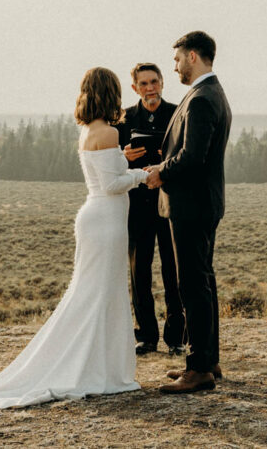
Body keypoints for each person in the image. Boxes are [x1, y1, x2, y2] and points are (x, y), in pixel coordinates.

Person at [0, 67, 149, 409]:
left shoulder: (88, 131)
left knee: (91, 293)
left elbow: (105, 175)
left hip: (94, 217)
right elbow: (113, 185)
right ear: (110, 94)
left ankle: (91, 363)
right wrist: (145, 175)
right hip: (107, 221)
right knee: (103, 292)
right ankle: (100, 369)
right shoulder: (111, 133)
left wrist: (124, 164)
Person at [144, 31, 231, 394]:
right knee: (203, 281)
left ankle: (198, 369)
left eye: (177, 59)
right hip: (203, 202)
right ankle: (207, 358)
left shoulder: (200, 99)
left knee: (192, 284)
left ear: (193, 56)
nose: (175, 65)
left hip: (192, 204)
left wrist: (159, 172)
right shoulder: (212, 93)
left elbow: (192, 157)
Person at [116, 62, 185, 356]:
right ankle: (145, 336)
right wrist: (124, 155)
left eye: (154, 82)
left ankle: (176, 338)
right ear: (134, 88)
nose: (150, 88)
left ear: (162, 83)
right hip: (136, 205)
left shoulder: (177, 113)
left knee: (174, 271)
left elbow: (187, 154)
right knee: (139, 271)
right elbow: (110, 161)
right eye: (143, 84)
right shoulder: (124, 118)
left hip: (169, 203)